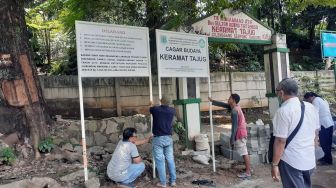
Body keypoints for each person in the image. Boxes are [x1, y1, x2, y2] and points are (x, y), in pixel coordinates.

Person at [271, 78, 320, 188]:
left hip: (291, 162)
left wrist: (274, 164)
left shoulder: (283, 111)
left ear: (281, 92)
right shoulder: (311, 107)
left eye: (277, 92)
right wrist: (314, 155)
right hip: (309, 159)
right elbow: (316, 133)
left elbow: (280, 141)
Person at [209, 94, 251, 179]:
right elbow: (224, 105)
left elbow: (234, 127)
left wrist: (232, 139)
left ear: (234, 100)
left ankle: (248, 172)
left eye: (230, 98)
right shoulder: (235, 107)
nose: (228, 99)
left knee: (244, 153)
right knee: (244, 152)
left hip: (240, 133)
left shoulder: (234, 111)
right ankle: (248, 170)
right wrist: (213, 101)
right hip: (242, 132)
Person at [150, 96, 176, 187]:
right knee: (170, 159)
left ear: (161, 100)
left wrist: (152, 103)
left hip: (158, 139)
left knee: (160, 161)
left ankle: (163, 183)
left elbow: (151, 108)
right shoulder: (172, 110)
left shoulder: (155, 110)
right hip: (168, 138)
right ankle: (173, 181)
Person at [304, 92, 334, 165]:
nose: (309, 101)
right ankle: (326, 157)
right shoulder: (322, 99)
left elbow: (315, 114)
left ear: (311, 97)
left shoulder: (315, 101)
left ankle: (327, 160)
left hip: (324, 124)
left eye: (308, 99)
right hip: (329, 123)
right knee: (328, 143)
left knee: (324, 143)